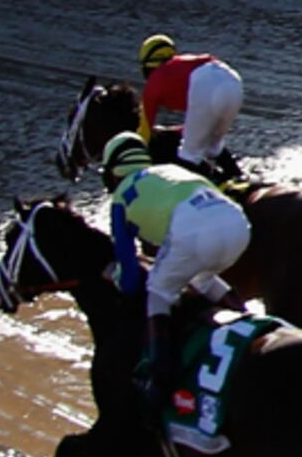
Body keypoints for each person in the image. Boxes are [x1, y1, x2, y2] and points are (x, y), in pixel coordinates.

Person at [101, 129, 253, 422]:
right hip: (237, 225)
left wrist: (117, 276)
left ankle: (157, 381)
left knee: (158, 292)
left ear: (113, 173)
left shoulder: (121, 199)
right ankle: (243, 315)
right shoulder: (168, 171)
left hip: (196, 231)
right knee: (202, 276)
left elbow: (131, 281)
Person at [135, 33, 245, 176]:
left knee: (189, 155)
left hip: (208, 86)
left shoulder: (154, 81)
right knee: (213, 146)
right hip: (233, 81)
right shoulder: (183, 66)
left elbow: (144, 133)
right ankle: (239, 177)